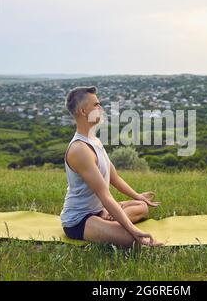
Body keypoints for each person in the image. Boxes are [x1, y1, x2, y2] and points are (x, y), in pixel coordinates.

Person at [60, 86, 164, 248]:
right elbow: (105, 195)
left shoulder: (94, 141)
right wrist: (133, 230)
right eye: (96, 105)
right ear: (82, 111)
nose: (100, 108)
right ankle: (113, 220)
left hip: (99, 210)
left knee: (142, 206)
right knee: (132, 240)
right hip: (80, 220)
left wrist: (138, 196)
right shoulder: (80, 150)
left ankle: (111, 217)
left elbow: (115, 178)